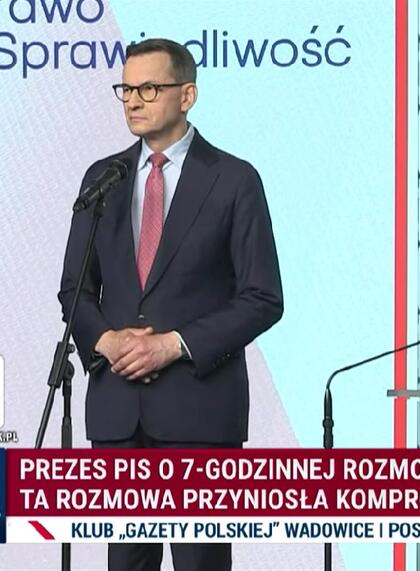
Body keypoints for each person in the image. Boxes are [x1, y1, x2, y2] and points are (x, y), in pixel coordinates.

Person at [58, 38, 283, 571]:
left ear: (187, 95)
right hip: (117, 413)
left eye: (149, 88)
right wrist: (106, 340)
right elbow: (74, 289)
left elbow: (263, 297)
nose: (134, 101)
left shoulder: (234, 179)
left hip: (199, 413)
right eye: (126, 89)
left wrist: (174, 345)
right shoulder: (102, 179)